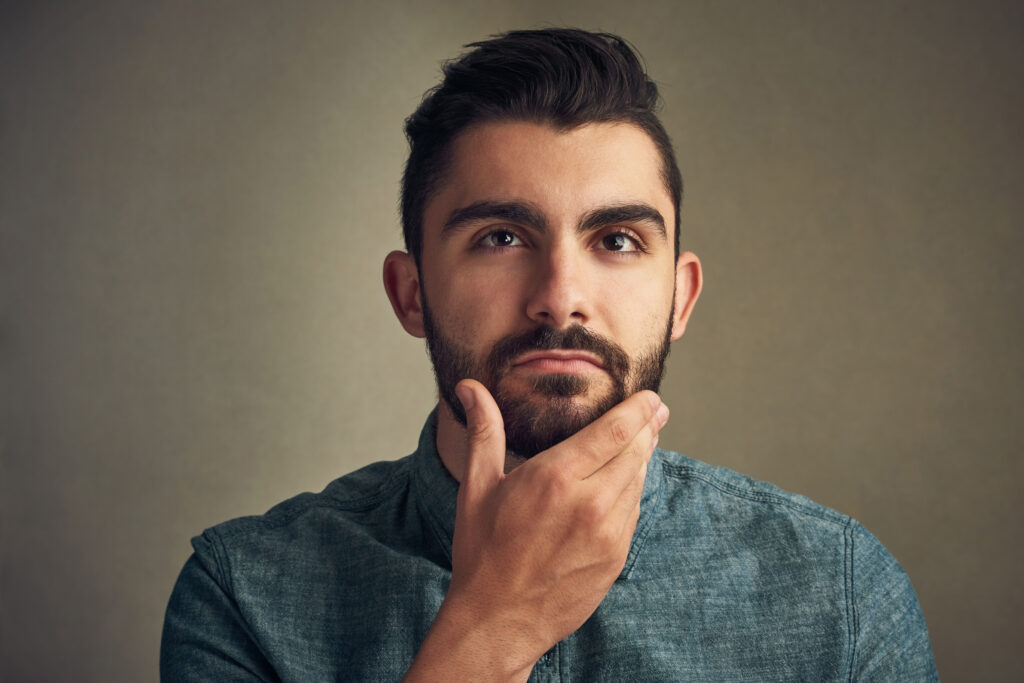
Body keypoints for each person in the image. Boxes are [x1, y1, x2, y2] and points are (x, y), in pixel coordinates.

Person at [161, 28, 938, 681]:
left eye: (617, 241)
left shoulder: (842, 596)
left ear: (681, 298)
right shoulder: (245, 596)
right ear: (411, 294)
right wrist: (490, 628)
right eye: (501, 238)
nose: (561, 296)